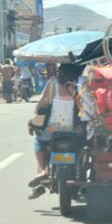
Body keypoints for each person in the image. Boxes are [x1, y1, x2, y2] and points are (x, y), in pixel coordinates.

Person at [27, 63, 84, 199]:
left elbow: (42, 103)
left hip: (52, 129)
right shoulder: (81, 84)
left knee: (39, 140)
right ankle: (80, 172)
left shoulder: (53, 83)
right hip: (73, 129)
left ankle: (42, 169)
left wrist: (35, 117)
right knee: (83, 147)